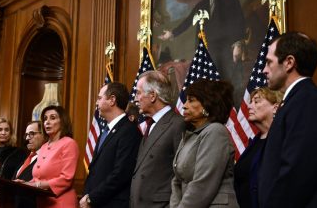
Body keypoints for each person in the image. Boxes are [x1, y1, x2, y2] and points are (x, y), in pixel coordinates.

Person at [259, 32, 317, 208]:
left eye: (269, 62)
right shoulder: (298, 100)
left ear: (289, 62)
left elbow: (297, 173)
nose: (264, 70)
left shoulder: (308, 102)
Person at [159, 0, 245, 83]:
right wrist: (172, 33)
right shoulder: (201, 4)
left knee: (226, 83)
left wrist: (238, 44)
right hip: (207, 51)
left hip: (226, 50)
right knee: (208, 85)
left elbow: (238, 20)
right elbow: (188, 21)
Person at [170, 79, 239, 208]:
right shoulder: (190, 135)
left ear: (208, 104)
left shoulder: (216, 132)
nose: (184, 105)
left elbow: (203, 184)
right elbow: (176, 181)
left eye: (191, 100)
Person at [80, 82, 142, 208]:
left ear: (112, 100)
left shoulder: (129, 130)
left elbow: (121, 173)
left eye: (99, 98)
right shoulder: (106, 131)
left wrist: (92, 198)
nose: (96, 103)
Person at [130, 70, 186, 208]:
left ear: (153, 96)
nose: (135, 99)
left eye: (138, 93)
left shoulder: (177, 124)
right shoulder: (150, 125)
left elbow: (183, 173)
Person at [234, 87, 282, 208]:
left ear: (275, 108)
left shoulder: (282, 140)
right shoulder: (255, 142)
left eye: (256, 101)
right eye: (250, 102)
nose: (249, 106)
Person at [24, 105, 79, 208]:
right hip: (42, 203)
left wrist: (36, 185)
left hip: (62, 203)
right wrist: (24, 183)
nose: (47, 122)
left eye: (52, 118)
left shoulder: (69, 143)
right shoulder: (44, 146)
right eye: (45, 119)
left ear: (62, 121)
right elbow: (38, 178)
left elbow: (66, 179)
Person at [13, 120, 46, 208]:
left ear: (44, 135)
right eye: (26, 135)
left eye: (31, 133)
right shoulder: (24, 159)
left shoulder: (47, 159)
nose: (27, 138)